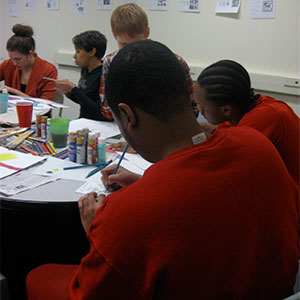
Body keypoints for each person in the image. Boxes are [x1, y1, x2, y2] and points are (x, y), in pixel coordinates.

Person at [26, 40, 299, 300]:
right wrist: (147, 184)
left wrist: (97, 232)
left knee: (36, 275)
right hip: (274, 288)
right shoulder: (256, 143)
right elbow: (207, 195)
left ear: (128, 116)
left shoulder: (124, 217)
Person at [102, 3, 198, 153]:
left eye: (137, 43)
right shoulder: (110, 62)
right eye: (124, 45)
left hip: (167, 141)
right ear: (114, 34)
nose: (132, 52)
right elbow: (107, 110)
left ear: (147, 32)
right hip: (126, 137)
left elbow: (190, 112)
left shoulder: (175, 62)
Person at [194, 59, 300, 188]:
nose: (199, 109)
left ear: (226, 110)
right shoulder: (249, 106)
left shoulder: (265, 118)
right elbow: (220, 131)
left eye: (203, 107)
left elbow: (220, 161)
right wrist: (203, 128)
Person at [55, 30, 111, 121]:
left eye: (78, 51)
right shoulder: (85, 70)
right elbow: (83, 102)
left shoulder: (103, 74)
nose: (74, 56)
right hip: (83, 121)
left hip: (99, 123)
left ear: (92, 52)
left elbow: (98, 111)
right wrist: (68, 92)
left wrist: (74, 89)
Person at [0, 24, 57, 100]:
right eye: (11, 58)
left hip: (38, 111)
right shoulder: (7, 65)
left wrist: (13, 91)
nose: (14, 63)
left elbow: (45, 104)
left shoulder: (48, 70)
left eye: (18, 59)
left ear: (30, 54)